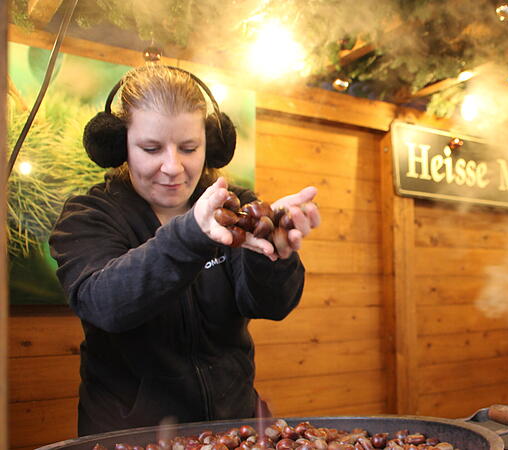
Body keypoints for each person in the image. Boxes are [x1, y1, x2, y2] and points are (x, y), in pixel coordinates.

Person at [48, 65, 320, 436]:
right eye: (151, 148)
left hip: (234, 431)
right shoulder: (90, 215)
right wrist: (190, 235)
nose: (173, 167)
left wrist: (275, 255)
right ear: (119, 146)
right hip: (131, 438)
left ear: (211, 145)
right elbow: (104, 304)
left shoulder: (237, 206)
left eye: (189, 148)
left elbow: (272, 305)